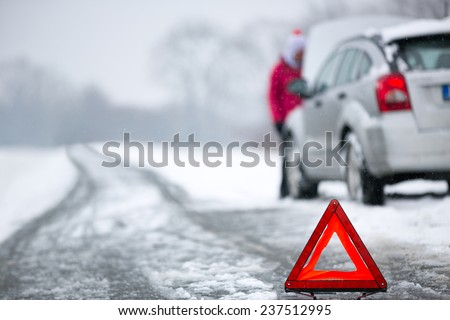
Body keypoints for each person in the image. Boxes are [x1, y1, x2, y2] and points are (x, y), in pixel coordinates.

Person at [268, 29, 306, 198]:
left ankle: (305, 186)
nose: (301, 55)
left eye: (303, 52)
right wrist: (278, 120)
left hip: (305, 119)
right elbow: (272, 96)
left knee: (306, 152)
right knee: (288, 154)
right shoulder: (279, 70)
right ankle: (285, 189)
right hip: (287, 121)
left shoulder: (306, 68)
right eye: (298, 52)